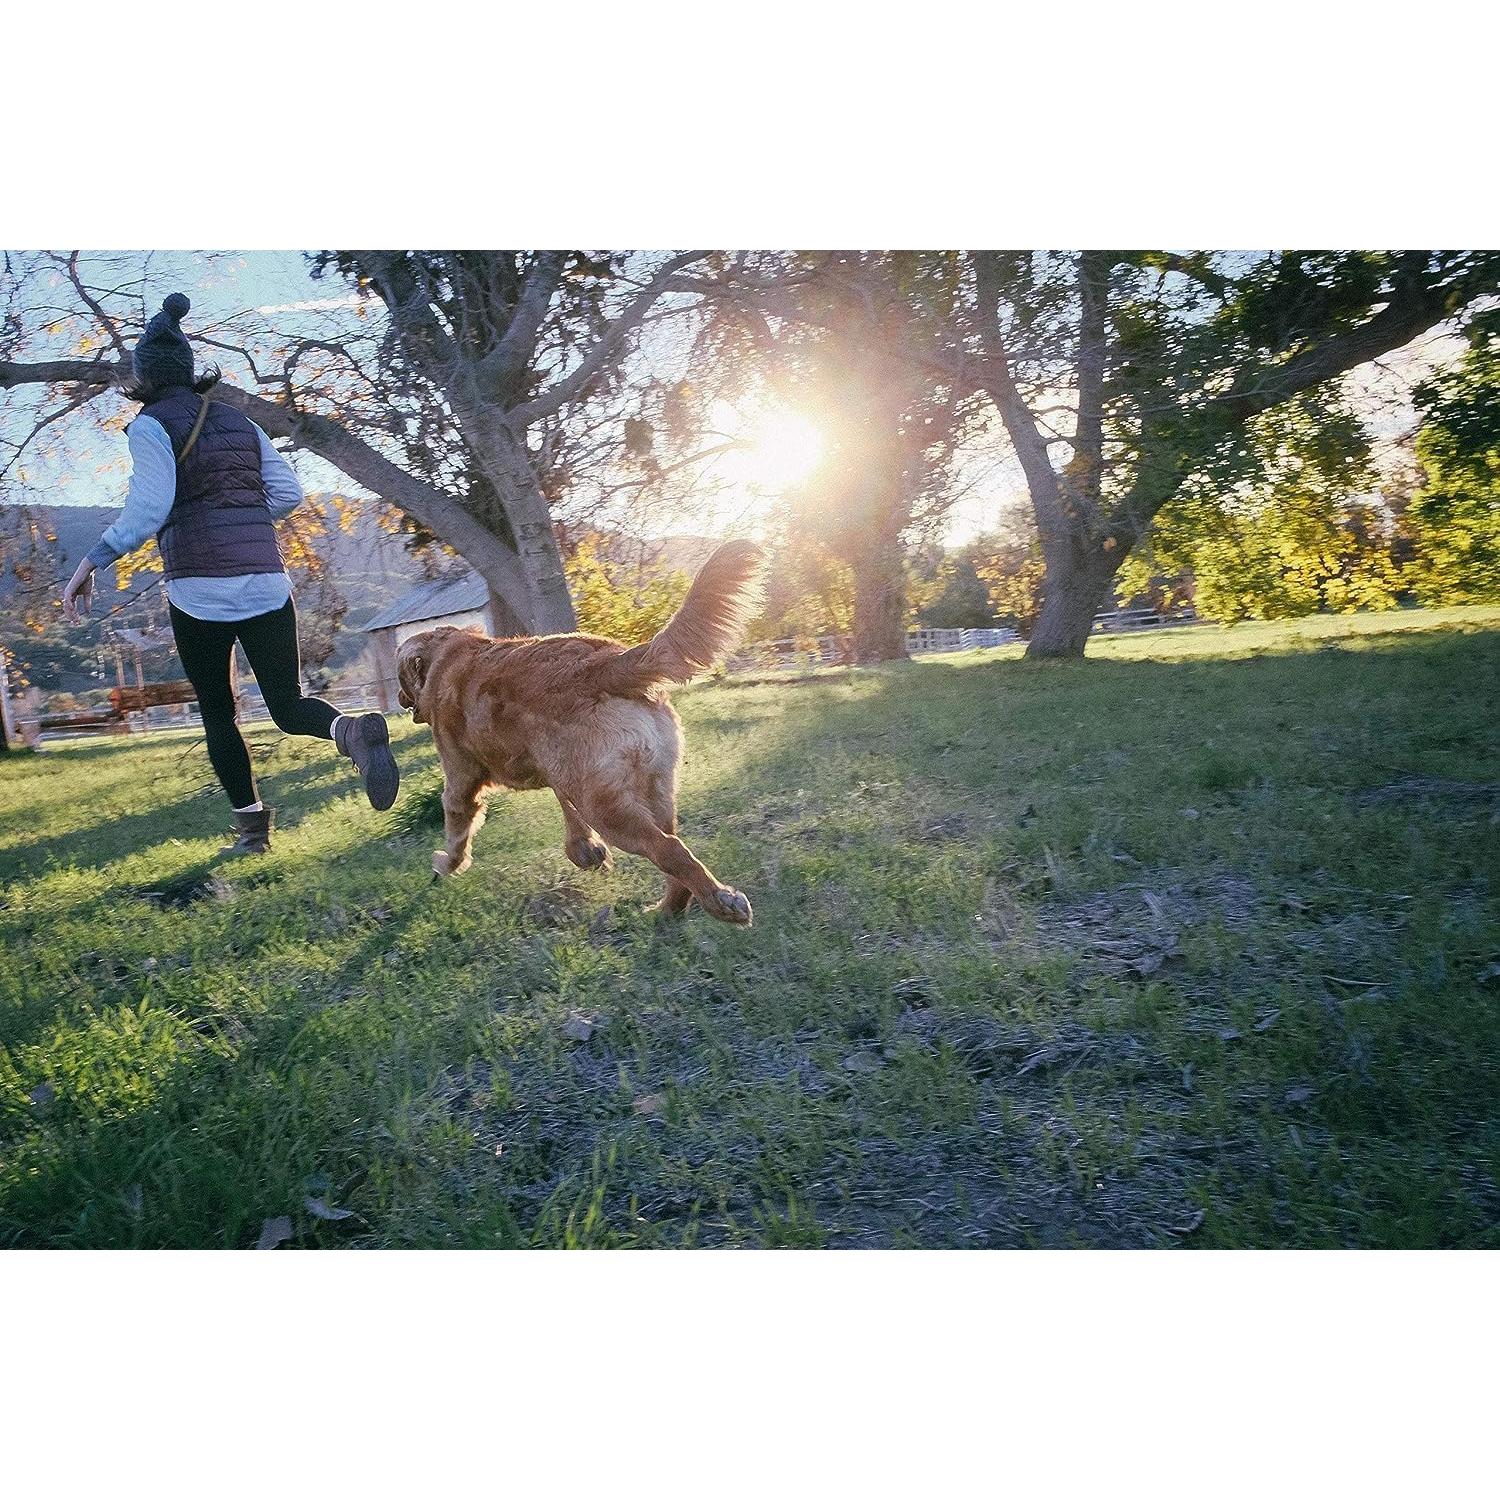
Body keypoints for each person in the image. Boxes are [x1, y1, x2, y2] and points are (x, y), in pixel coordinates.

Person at [62, 293, 400, 854]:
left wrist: (92, 560)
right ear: (189, 370)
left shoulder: (149, 426)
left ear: (144, 377)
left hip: (199, 590)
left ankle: (252, 834)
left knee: (220, 714)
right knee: (287, 705)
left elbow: (149, 509)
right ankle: (351, 733)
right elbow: (288, 494)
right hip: (266, 580)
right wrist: (241, 517)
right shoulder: (238, 420)